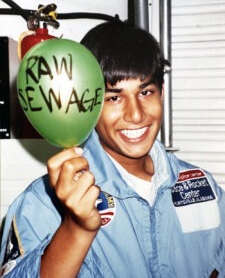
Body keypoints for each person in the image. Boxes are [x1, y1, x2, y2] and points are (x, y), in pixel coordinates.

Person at [0, 19, 225, 278]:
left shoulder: (204, 188)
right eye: (114, 97)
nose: (136, 115)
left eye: (145, 92)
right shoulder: (42, 202)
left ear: (161, 93)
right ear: (89, 102)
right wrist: (76, 228)